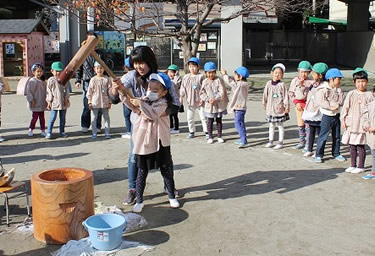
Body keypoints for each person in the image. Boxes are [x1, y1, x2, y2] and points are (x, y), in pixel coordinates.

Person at [112, 46, 180, 205]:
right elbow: (115, 99)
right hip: (140, 128)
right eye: (135, 63)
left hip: (159, 128)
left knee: (165, 159)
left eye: (142, 63)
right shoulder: (130, 76)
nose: (138, 67)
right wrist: (116, 90)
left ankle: (169, 188)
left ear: (150, 61)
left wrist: (159, 112)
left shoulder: (163, 79)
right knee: (135, 158)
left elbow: (176, 104)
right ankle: (133, 189)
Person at [130, 72, 179, 212]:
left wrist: (140, 105)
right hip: (144, 142)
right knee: (142, 171)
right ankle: (139, 200)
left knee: (166, 169)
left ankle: (171, 196)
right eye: (150, 89)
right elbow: (132, 104)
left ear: (164, 92)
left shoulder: (163, 103)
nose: (151, 92)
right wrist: (122, 92)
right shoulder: (143, 99)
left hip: (160, 141)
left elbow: (152, 114)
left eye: (156, 90)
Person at [341, 68, 375, 174]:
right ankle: (352, 165)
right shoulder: (351, 94)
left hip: (363, 127)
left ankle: (361, 166)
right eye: (359, 82)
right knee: (352, 146)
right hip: (352, 125)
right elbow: (345, 108)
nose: (361, 84)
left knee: (361, 146)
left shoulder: (370, 95)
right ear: (354, 82)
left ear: (367, 82)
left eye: (363, 81)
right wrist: (343, 120)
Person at [314, 68, 346, 163]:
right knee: (323, 136)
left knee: (336, 136)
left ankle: (336, 153)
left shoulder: (339, 90)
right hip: (327, 116)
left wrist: (338, 105)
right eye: (338, 79)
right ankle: (319, 154)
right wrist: (330, 107)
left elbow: (341, 101)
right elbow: (321, 101)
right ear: (331, 79)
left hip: (336, 116)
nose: (339, 81)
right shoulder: (323, 89)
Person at [75, 32, 102, 133]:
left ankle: (97, 125)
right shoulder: (83, 52)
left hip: (98, 80)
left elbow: (105, 66)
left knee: (98, 104)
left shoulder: (100, 53)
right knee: (87, 104)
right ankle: (85, 125)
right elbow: (79, 67)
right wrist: (78, 80)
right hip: (87, 80)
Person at [301, 62, 328, 157]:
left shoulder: (325, 86)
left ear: (320, 75)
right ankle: (309, 149)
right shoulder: (313, 83)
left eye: (313, 73)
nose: (312, 75)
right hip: (310, 111)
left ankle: (319, 151)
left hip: (319, 113)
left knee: (320, 133)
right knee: (311, 131)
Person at [262, 63, 289, 149]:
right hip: (270, 108)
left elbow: (285, 97)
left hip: (279, 108)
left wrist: (286, 106)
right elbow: (265, 95)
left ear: (282, 75)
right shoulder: (268, 84)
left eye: (279, 73)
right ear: (272, 73)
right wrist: (264, 103)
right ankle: (270, 141)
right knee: (271, 125)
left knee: (280, 125)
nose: (277, 74)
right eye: (276, 72)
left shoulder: (282, 85)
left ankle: (280, 142)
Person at [221, 66, 250, 148]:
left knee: (238, 124)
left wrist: (224, 75)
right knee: (241, 123)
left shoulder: (240, 85)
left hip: (239, 108)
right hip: (240, 107)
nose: (234, 76)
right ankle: (243, 138)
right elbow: (233, 81)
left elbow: (230, 82)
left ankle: (243, 140)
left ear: (240, 76)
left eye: (235, 75)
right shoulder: (244, 84)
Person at [200, 62, 228, 144]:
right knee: (210, 121)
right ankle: (210, 136)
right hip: (209, 105)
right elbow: (202, 92)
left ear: (215, 72)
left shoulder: (218, 80)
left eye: (212, 72)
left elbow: (221, 92)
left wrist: (215, 99)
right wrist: (208, 99)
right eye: (208, 73)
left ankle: (219, 136)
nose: (211, 74)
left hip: (218, 104)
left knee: (219, 120)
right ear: (205, 73)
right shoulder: (205, 82)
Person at [180, 57, 208, 139]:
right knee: (190, 118)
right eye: (190, 66)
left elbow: (205, 89)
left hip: (200, 102)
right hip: (190, 101)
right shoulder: (186, 77)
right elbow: (183, 88)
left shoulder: (201, 77)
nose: (192, 68)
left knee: (203, 117)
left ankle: (206, 132)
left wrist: (203, 99)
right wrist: (181, 97)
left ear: (198, 67)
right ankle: (191, 131)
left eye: (194, 66)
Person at [288, 60, 312, 150]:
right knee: (300, 124)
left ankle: (308, 144)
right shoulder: (295, 81)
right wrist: (296, 102)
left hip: (308, 105)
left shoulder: (310, 82)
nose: (303, 74)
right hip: (298, 105)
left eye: (306, 72)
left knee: (308, 125)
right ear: (298, 71)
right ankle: (302, 141)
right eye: (302, 72)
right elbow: (291, 92)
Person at [86, 61, 112, 139]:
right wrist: (89, 102)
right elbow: (89, 92)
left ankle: (107, 132)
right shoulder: (93, 80)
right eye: (97, 68)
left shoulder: (107, 79)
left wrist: (110, 101)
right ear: (94, 69)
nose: (99, 70)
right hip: (95, 102)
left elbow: (109, 91)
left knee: (106, 117)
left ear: (104, 69)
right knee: (94, 117)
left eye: (101, 68)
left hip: (105, 101)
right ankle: (94, 133)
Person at [45, 62, 70, 139]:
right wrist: (49, 101)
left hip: (63, 102)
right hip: (54, 102)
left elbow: (67, 90)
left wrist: (66, 98)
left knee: (63, 118)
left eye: (60, 71)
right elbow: (48, 91)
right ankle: (49, 132)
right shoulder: (51, 80)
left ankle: (62, 131)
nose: (58, 73)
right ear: (52, 71)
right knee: (52, 117)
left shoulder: (64, 79)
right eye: (56, 71)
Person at [26, 62, 47, 137]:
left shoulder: (43, 82)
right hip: (35, 103)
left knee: (42, 118)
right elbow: (29, 92)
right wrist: (31, 100)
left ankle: (43, 130)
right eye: (37, 71)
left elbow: (46, 91)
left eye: (41, 71)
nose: (39, 73)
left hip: (41, 102)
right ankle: (31, 129)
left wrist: (47, 100)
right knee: (34, 117)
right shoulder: (32, 81)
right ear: (33, 72)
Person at [362, 86, 375, 179]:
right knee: (373, 154)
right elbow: (364, 117)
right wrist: (366, 125)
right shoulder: (370, 105)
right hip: (372, 135)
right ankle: (373, 172)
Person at [167, 64, 182, 134]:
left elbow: (176, 85)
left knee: (175, 115)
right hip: (170, 101)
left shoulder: (177, 79)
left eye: (172, 72)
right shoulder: (168, 79)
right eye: (169, 72)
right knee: (170, 114)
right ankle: (171, 127)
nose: (170, 74)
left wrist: (175, 76)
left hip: (176, 101)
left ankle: (176, 128)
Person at [121, 57, 132, 139]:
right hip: (135, 99)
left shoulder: (125, 77)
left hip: (127, 99)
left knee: (127, 116)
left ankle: (129, 131)